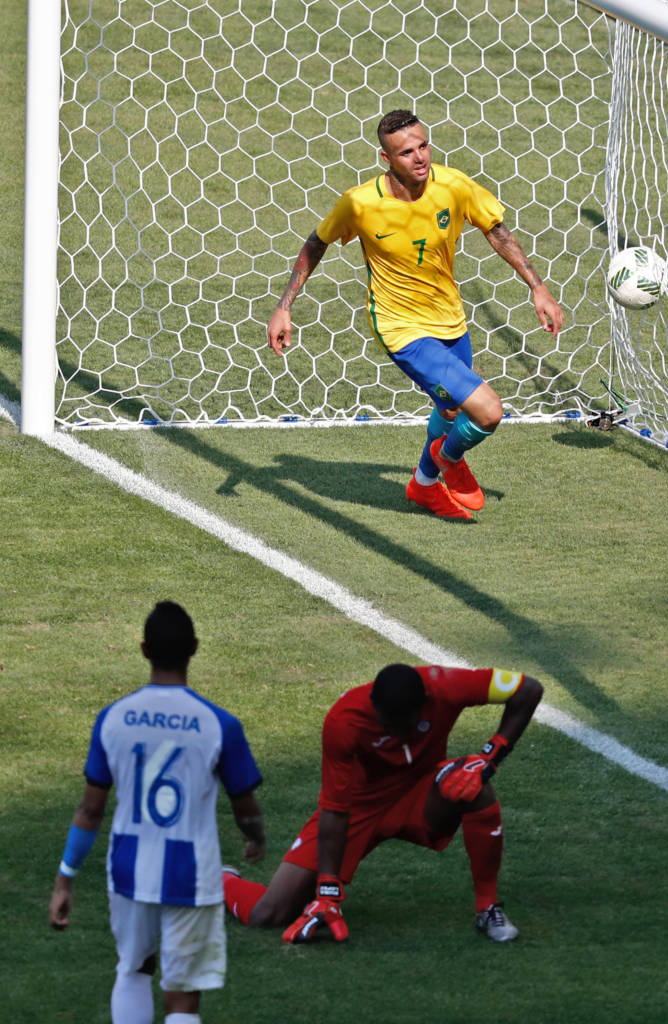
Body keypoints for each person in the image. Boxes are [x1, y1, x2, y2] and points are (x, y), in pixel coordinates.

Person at [267, 108, 564, 520]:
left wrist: (538, 287)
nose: (420, 157)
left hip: (450, 320)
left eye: (423, 145)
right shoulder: (361, 203)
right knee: (488, 411)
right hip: (401, 329)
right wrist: (284, 308)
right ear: (386, 159)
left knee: (452, 410)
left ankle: (423, 487)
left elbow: (496, 231)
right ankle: (449, 457)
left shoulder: (453, 186)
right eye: (407, 152)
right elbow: (316, 243)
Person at [48, 601, 266, 1024]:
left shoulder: (112, 719)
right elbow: (245, 808)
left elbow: (90, 811)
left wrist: (64, 880)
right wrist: (255, 836)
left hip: (129, 868)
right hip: (193, 874)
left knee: (133, 971)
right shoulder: (219, 724)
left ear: (144, 650)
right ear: (195, 649)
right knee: (182, 998)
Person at [222, 661, 543, 944]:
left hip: (420, 794)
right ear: (374, 705)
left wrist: (488, 759)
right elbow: (335, 808)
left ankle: (488, 909)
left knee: (473, 787)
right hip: (359, 807)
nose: (395, 731)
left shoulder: (446, 685)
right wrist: (327, 891)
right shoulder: (344, 720)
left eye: (405, 723)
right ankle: (220, 879)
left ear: (425, 704)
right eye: (387, 722)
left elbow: (528, 689)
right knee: (268, 914)